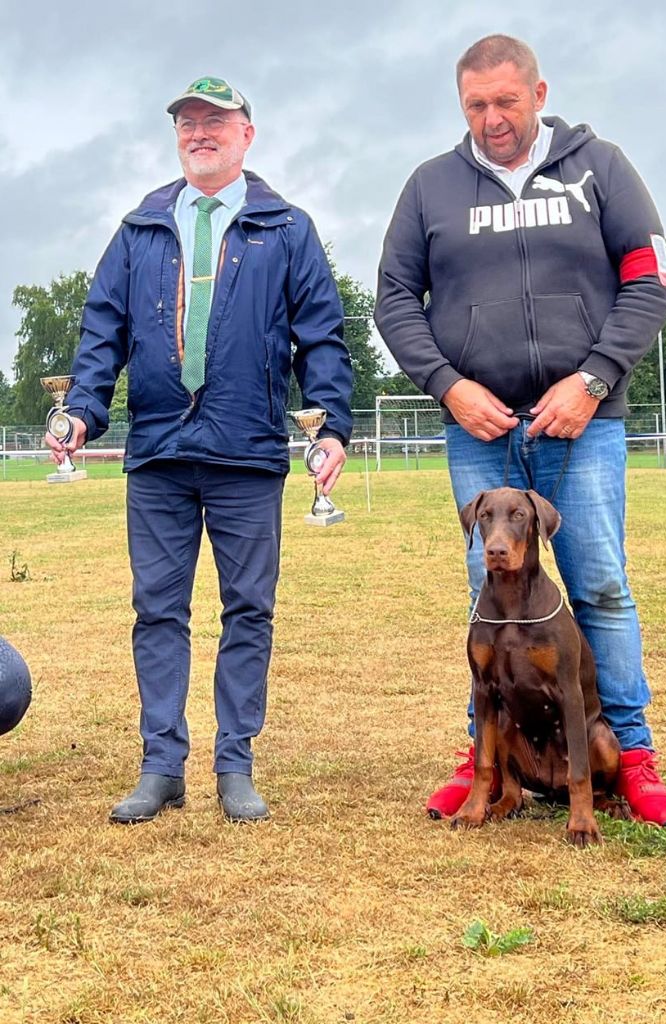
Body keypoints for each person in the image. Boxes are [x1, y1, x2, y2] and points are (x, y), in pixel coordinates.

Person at [375, 35, 666, 827]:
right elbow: (394, 302)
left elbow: (651, 284)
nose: (492, 119)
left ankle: (634, 756)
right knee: (490, 591)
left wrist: (593, 380)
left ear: (539, 92)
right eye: (475, 105)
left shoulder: (601, 168)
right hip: (478, 427)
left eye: (506, 102)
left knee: (601, 586)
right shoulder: (429, 187)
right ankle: (486, 757)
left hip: (581, 422)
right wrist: (447, 386)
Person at [46, 77, 353, 824]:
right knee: (157, 612)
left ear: (248, 134)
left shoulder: (288, 229)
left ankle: (235, 764)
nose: (199, 132)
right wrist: (81, 411)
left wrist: (333, 423)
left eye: (216, 121)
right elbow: (102, 334)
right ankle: (161, 766)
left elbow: (321, 336)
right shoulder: (139, 228)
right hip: (156, 454)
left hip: (246, 452)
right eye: (187, 121)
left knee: (248, 610)